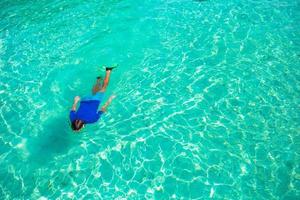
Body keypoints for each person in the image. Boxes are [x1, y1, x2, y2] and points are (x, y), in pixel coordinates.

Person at [70, 66, 116, 131]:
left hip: (96, 100)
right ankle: (99, 77)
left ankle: (108, 70)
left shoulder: (93, 120)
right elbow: (73, 109)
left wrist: (110, 99)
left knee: (104, 87)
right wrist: (76, 101)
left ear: (83, 126)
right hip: (85, 100)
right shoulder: (72, 118)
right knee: (95, 90)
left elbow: (102, 109)